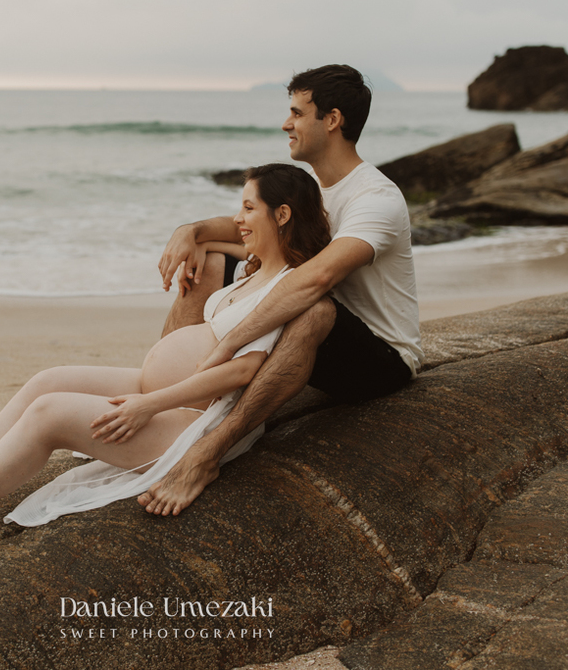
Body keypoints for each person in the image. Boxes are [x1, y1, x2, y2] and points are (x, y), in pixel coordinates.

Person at [0, 164, 330, 554]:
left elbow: (244, 370)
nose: (238, 218)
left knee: (49, 414)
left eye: (249, 208)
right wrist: (194, 240)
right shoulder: (254, 268)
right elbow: (224, 246)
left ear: (282, 214)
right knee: (47, 381)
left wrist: (147, 405)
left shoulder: (288, 287)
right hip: (164, 395)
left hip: (193, 421)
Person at [139, 64, 423, 517]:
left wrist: (227, 343)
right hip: (305, 327)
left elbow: (316, 278)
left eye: (296, 113)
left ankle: (206, 453)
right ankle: (170, 406)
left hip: (377, 356)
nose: (286, 124)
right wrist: (190, 232)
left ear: (331, 120)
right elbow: (242, 226)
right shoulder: (314, 193)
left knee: (313, 308)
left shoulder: (376, 199)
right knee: (210, 259)